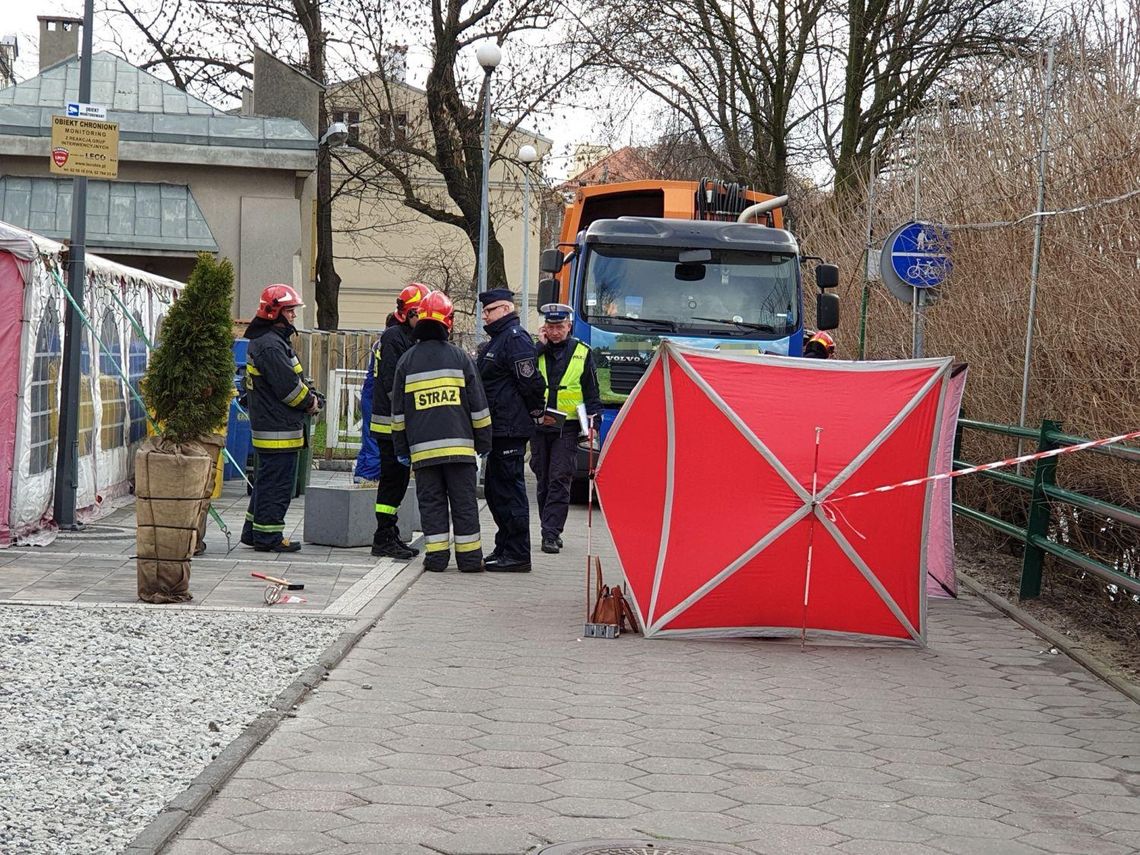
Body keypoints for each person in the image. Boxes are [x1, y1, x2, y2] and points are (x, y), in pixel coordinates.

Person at [391, 291, 492, 573]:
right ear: (448, 322)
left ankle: (436, 559)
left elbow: (398, 415)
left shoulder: (406, 362)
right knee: (464, 505)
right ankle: (470, 560)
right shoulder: (460, 358)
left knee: (432, 505)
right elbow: (478, 407)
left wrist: (401, 449)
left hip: (423, 454)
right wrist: (484, 441)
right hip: (460, 452)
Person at [240, 284, 321, 553]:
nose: (294, 316)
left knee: (267, 480)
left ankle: (254, 531)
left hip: (272, 425)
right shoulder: (271, 346)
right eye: (290, 311)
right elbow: (288, 387)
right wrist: (310, 402)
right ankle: (269, 537)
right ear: (275, 312)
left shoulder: (268, 341)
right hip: (279, 429)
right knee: (277, 484)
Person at [476, 288, 546, 572]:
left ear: (505, 310)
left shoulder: (515, 340)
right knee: (496, 492)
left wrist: (534, 411)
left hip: (509, 428)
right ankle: (505, 546)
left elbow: (531, 383)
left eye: (489, 310)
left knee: (509, 493)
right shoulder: (500, 340)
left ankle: (517, 553)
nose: (484, 315)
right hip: (499, 428)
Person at [531, 302, 602, 554]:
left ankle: (551, 533)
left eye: (560, 326)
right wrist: (538, 346)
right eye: (550, 327)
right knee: (542, 479)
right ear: (544, 328)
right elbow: (523, 375)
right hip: (539, 424)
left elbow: (592, 391)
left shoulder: (582, 352)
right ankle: (546, 526)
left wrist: (594, 424)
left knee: (560, 477)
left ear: (569, 326)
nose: (555, 331)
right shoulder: (534, 352)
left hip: (568, 427)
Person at [369, 283, 431, 559]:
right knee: (392, 482)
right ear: (407, 313)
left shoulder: (407, 337)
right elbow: (394, 382)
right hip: (390, 425)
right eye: (420, 312)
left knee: (398, 482)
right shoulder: (395, 337)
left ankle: (388, 533)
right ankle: (383, 538)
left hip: (398, 424)